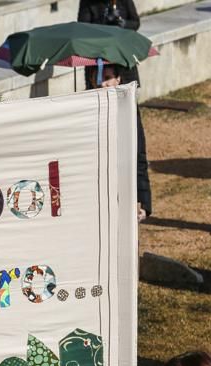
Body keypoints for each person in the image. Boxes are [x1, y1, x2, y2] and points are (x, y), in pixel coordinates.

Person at [88, 63, 152, 222]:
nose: (103, 84)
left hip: (123, 191)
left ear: (118, 79)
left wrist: (143, 202)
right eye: (98, 79)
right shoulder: (86, 113)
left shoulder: (128, 112)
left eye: (108, 78)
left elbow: (139, 158)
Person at [78, 0, 142, 88]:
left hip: (122, 55)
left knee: (128, 93)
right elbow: (83, 29)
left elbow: (136, 22)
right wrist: (104, 20)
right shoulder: (87, 2)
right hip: (99, 55)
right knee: (100, 94)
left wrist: (124, 24)